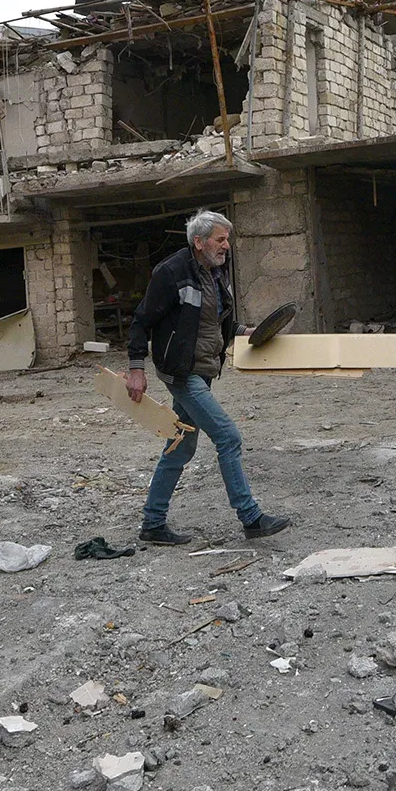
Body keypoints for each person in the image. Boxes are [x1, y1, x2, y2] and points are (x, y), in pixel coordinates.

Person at [125, 210, 292, 545]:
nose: (226, 245)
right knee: (228, 437)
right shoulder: (170, 272)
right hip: (182, 374)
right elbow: (141, 320)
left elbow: (218, 323)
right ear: (198, 242)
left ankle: (152, 524)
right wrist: (136, 367)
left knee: (181, 446)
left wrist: (249, 333)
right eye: (220, 239)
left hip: (202, 369)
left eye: (227, 239)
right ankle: (250, 517)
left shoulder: (216, 272)